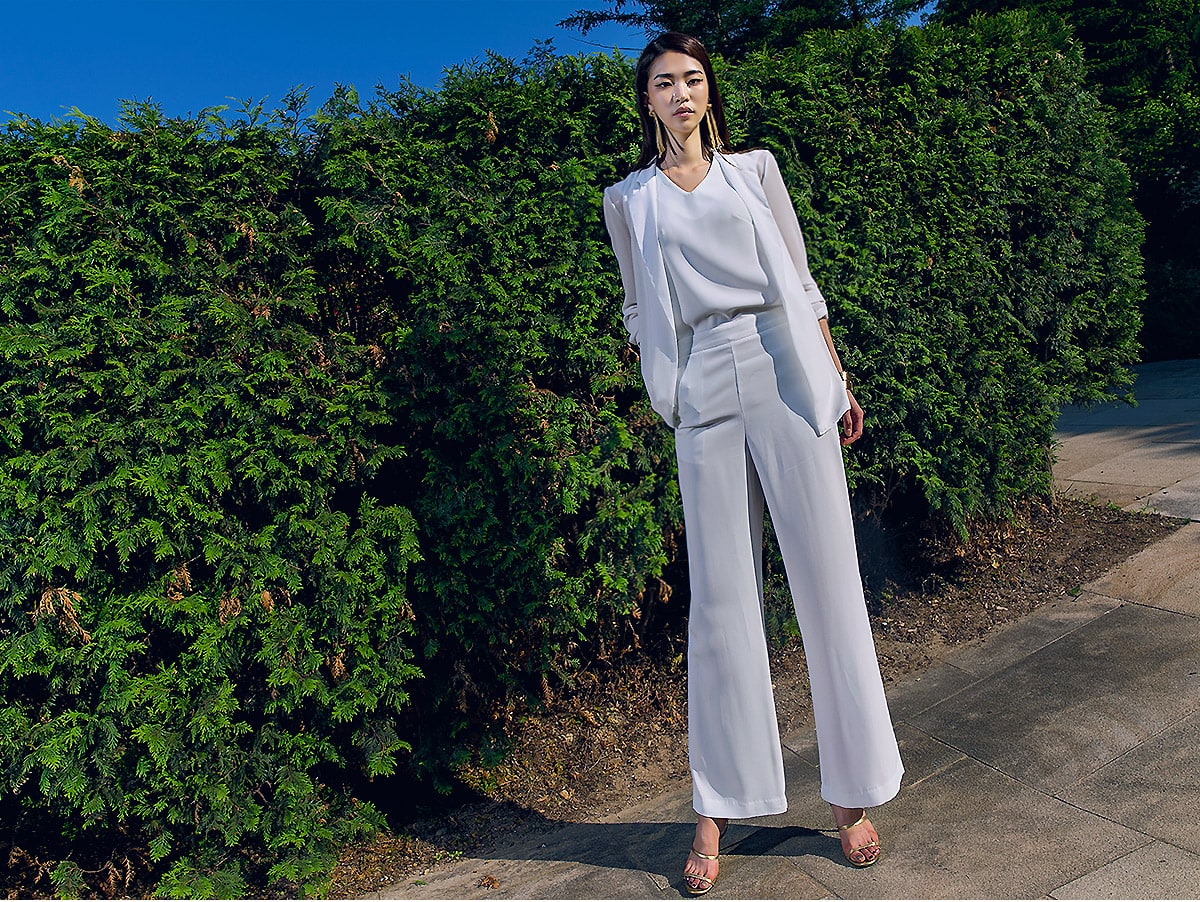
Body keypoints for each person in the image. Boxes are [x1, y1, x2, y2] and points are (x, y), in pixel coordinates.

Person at [602, 32, 905, 895]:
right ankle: (717, 806)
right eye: (666, 82)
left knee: (829, 581)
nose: (682, 93)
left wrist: (837, 380)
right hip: (703, 382)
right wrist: (668, 384)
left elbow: (801, 283)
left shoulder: (755, 171)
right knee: (722, 601)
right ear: (647, 100)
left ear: (709, 92)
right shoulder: (629, 200)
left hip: (783, 369)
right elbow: (637, 304)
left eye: (694, 79)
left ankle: (850, 794)